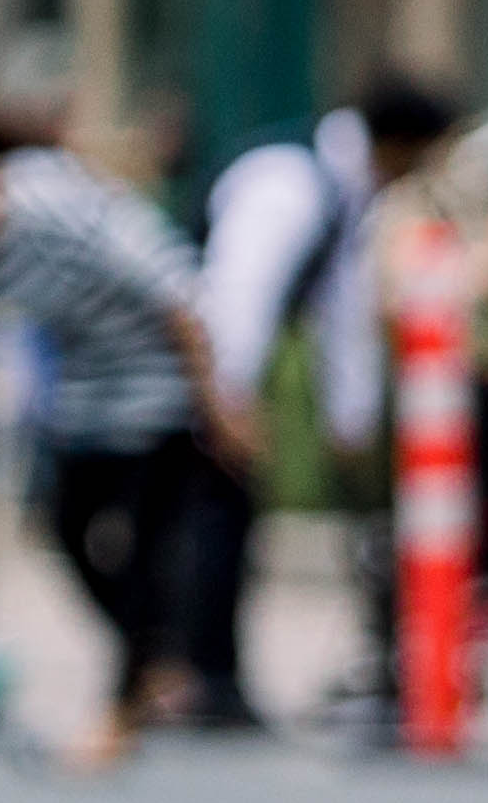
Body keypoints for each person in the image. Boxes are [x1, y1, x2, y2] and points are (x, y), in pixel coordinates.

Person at [0, 112, 236, 764]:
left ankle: (120, 712)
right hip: (85, 398)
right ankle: (152, 657)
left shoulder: (42, 200)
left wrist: (219, 403)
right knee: (67, 528)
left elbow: (171, 283)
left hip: (161, 386)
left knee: (145, 552)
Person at [194, 70, 461, 735]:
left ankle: (207, 671)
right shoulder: (289, 181)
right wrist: (228, 400)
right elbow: (239, 296)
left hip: (214, 375)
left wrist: (352, 421)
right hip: (191, 371)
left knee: (225, 518)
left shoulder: (345, 192)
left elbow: (341, 313)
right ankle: (204, 674)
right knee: (208, 521)